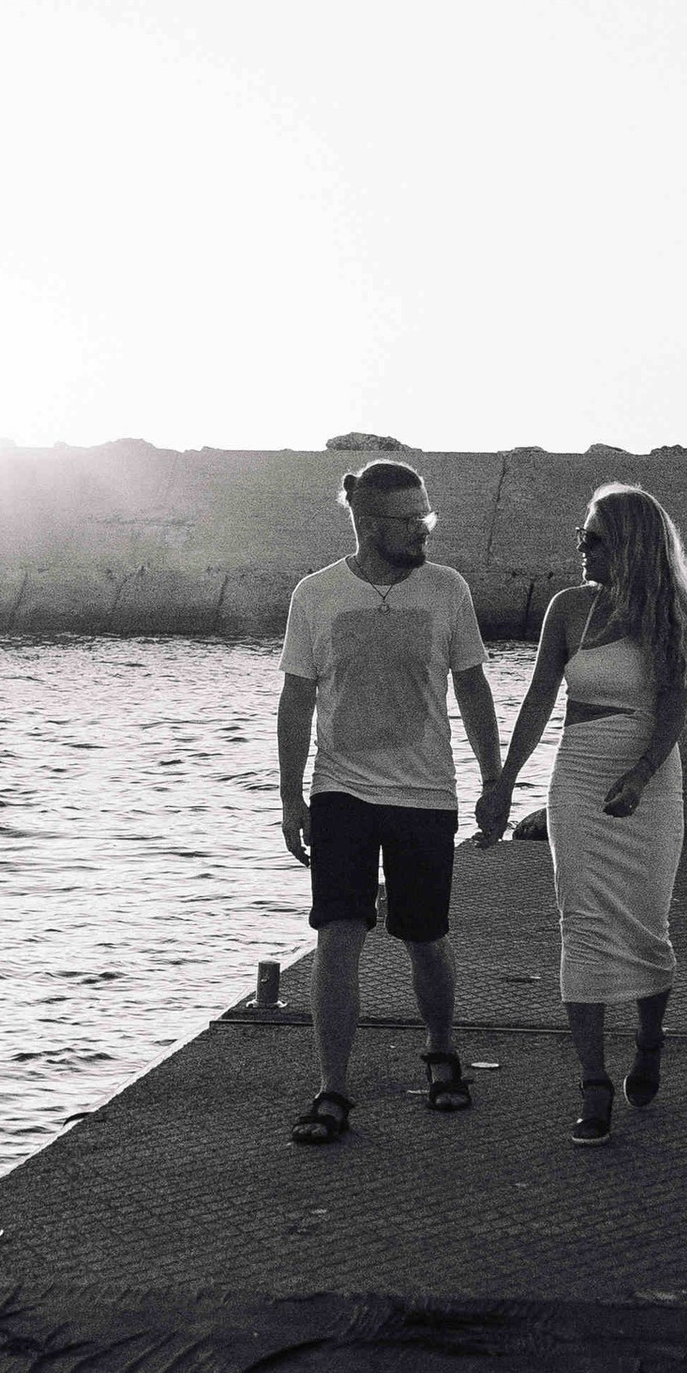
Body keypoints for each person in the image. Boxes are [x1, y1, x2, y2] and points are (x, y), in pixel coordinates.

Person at [276, 458, 502, 1146]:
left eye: (426, 517)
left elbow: (472, 688)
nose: (425, 531)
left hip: (424, 793)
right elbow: (296, 700)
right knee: (337, 937)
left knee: (424, 938)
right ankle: (332, 1090)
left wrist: (496, 781)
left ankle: (439, 1051)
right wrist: (291, 799)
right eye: (412, 521)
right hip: (340, 789)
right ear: (372, 525)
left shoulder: (447, 590)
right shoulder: (315, 595)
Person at [477, 484, 687, 1143]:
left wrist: (639, 775)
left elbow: (673, 710)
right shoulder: (566, 609)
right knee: (579, 922)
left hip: (650, 778)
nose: (581, 545)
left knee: (645, 926)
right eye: (583, 533)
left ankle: (650, 1039)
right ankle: (593, 1083)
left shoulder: (672, 615)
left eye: (596, 537)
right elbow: (539, 702)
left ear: (632, 545)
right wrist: (503, 781)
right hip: (577, 775)